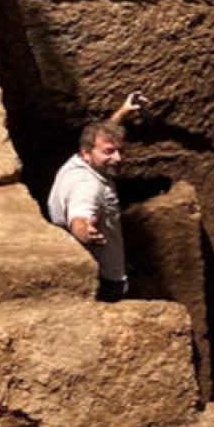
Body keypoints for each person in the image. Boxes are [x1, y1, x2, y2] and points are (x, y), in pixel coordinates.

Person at [48, 92, 148, 302]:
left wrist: (123, 112)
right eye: (110, 152)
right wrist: (84, 230)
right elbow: (80, 215)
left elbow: (102, 139)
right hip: (105, 280)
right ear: (87, 153)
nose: (118, 158)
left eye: (120, 151)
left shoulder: (78, 161)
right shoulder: (87, 186)